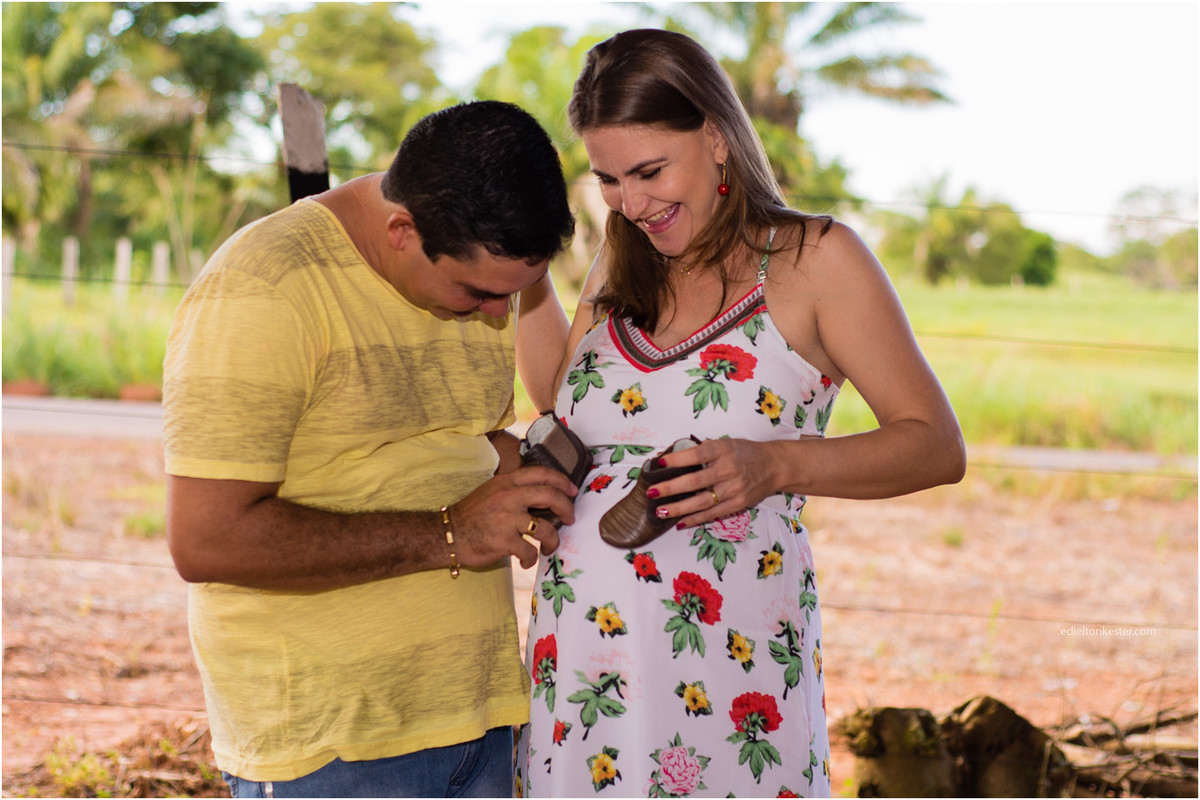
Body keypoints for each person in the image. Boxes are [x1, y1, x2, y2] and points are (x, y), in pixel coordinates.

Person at [516, 30, 966, 797]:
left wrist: (775, 466)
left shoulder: (817, 260)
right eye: (610, 180)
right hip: (580, 677)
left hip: (727, 682)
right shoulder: (617, 257)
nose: (633, 202)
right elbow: (563, 407)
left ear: (718, 139)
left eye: (651, 171)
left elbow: (934, 446)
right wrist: (528, 275)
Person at [163, 100, 579, 798]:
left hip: (481, 719)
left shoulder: (475, 272)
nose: (495, 316)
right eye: (478, 293)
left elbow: (444, 439)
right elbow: (206, 539)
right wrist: (453, 532)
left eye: (513, 293)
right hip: (334, 750)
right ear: (401, 230)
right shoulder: (266, 288)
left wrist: (518, 468)